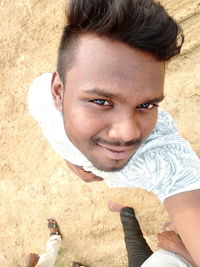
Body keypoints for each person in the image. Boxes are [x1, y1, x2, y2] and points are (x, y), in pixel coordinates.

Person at [28, 0, 200, 263]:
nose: (128, 134)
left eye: (146, 105)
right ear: (58, 92)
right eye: (101, 101)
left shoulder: (165, 159)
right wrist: (72, 158)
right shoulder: (39, 97)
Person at [108, 201, 197, 267]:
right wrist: (178, 247)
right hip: (186, 258)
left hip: (147, 264)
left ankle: (125, 210)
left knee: (132, 240)